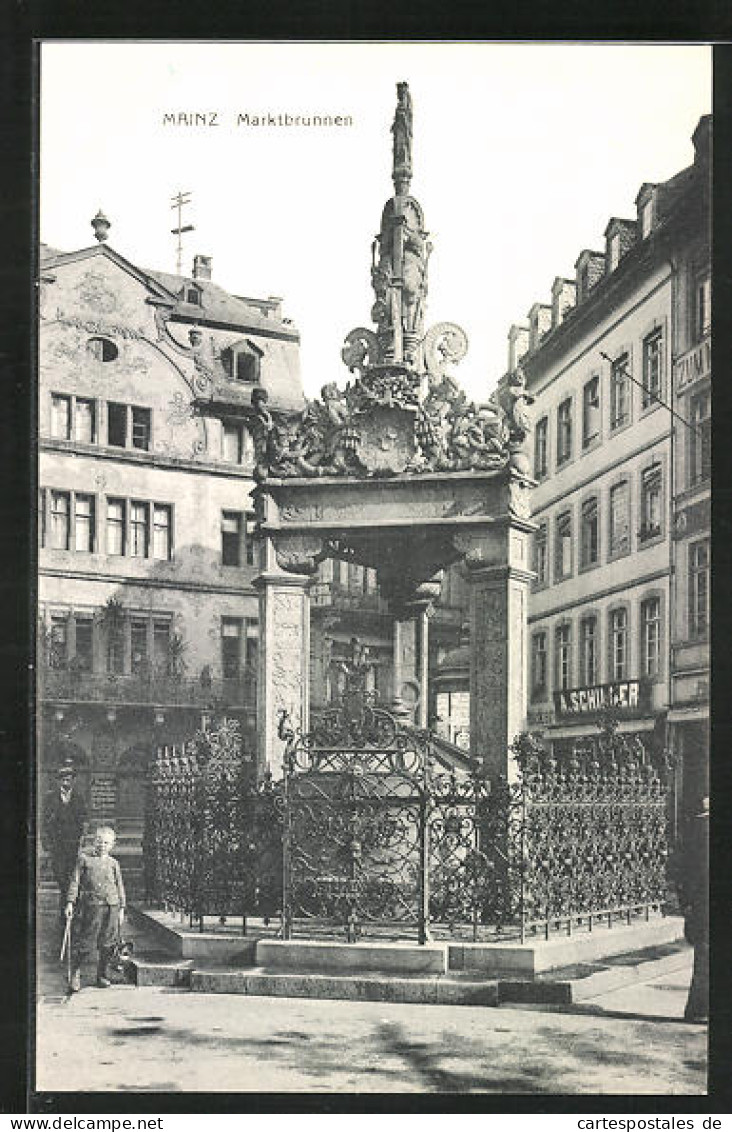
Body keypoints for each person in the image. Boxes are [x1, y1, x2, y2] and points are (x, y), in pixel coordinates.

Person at [65, 825, 126, 992]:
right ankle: (75, 975)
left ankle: (102, 975)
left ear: (113, 844)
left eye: (106, 843)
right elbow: (75, 881)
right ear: (94, 841)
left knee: (108, 942)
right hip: (92, 906)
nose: (102, 845)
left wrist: (122, 908)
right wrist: (70, 902)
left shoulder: (114, 863)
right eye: (99, 841)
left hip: (112, 906)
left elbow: (119, 885)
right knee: (86, 941)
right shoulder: (84, 859)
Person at [41, 757, 87, 920]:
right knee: (61, 876)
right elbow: (44, 822)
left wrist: (83, 841)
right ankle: (68, 904)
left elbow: (83, 821)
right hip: (57, 845)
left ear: (73, 781)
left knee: (73, 876)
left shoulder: (79, 798)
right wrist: (46, 844)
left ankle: (69, 908)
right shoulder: (50, 798)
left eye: (69, 779)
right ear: (59, 781)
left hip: (73, 845)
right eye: (63, 779)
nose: (66, 782)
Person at [679, 795, 709, 1024]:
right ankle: (698, 1009)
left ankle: (699, 1009)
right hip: (704, 902)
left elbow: (686, 873)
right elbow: (690, 872)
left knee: (704, 957)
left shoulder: (697, 831)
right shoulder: (700, 832)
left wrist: (686, 903)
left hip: (702, 903)